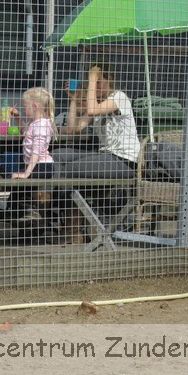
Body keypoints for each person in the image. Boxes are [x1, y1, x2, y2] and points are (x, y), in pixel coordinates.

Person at [53, 64, 141, 243]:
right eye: (94, 82)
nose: (96, 86)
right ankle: (62, 218)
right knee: (57, 155)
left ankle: (71, 228)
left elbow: (92, 109)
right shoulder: (99, 105)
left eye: (100, 82)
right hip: (106, 156)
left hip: (124, 160)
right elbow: (73, 129)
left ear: (110, 79)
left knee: (70, 170)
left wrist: (92, 77)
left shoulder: (119, 98)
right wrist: (73, 99)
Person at [5, 86, 57, 238]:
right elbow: (25, 134)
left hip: (42, 165)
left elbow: (36, 151)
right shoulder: (35, 123)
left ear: (34, 106)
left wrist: (27, 173)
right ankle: (21, 216)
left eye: (25, 107)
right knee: (17, 184)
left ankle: (25, 216)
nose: (24, 109)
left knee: (19, 182)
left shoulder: (41, 125)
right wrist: (18, 118)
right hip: (36, 165)